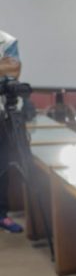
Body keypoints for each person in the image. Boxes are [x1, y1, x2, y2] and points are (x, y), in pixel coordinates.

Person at [0, 29, 24, 233]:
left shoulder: (6, 41)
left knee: (2, 166)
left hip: (1, 115)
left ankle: (1, 214)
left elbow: (13, 70)